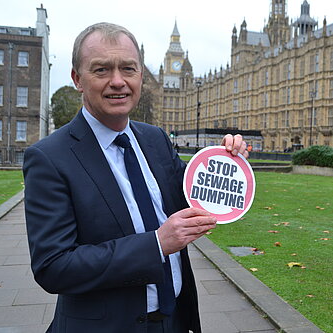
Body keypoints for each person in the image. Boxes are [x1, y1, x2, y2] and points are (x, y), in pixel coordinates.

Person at [23, 22, 249, 333]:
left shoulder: (155, 139)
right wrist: (156, 244)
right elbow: (54, 266)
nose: (118, 81)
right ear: (78, 79)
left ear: (141, 75)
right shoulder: (50, 157)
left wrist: (225, 161)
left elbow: (195, 196)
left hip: (175, 321)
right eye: (102, 70)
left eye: (128, 69)